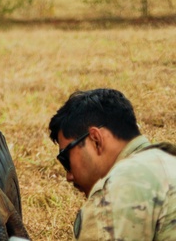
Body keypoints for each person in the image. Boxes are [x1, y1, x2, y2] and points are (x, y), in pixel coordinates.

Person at [49, 88, 176, 240]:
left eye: (65, 159)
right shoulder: (167, 163)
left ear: (96, 139)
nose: (69, 176)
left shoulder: (118, 190)